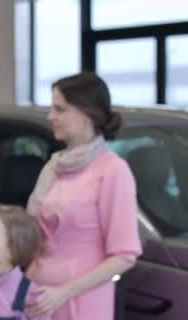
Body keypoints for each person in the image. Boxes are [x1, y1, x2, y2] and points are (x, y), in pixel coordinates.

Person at [25, 72, 142, 320]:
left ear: (87, 113)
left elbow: (124, 256)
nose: (51, 116)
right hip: (39, 299)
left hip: (82, 304)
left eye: (60, 109)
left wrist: (64, 292)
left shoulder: (112, 170)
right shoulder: (54, 167)